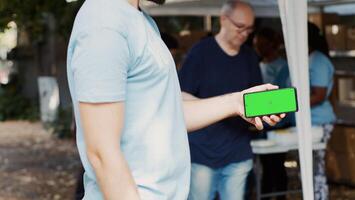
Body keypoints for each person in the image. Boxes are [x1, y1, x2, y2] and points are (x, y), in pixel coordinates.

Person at [66, 0, 285, 199]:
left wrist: (236, 102)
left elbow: (166, 111)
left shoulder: (139, 20)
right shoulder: (104, 22)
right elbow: (102, 152)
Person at [178, 1, 264, 199]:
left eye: (249, 30)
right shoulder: (200, 52)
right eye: (240, 27)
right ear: (223, 19)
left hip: (238, 152)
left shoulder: (250, 57)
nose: (244, 34)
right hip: (202, 152)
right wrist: (225, 105)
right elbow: (180, 96)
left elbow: (256, 99)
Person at [253, 27, 291, 200]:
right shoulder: (257, 65)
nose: (257, 48)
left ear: (270, 44)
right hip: (260, 124)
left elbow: (284, 98)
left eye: (260, 44)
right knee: (265, 167)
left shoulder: (283, 67)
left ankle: (280, 196)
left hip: (279, 125)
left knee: (276, 166)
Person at [308, 22, 337, 200]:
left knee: (317, 168)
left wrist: (292, 105)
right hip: (310, 121)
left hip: (319, 121)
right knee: (311, 167)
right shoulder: (309, 58)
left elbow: (319, 95)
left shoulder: (318, 60)